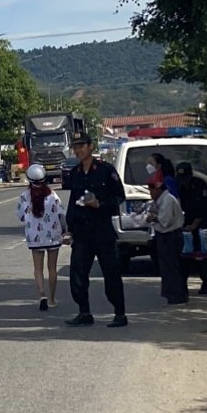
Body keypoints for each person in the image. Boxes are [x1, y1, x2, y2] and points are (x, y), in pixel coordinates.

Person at [64, 132, 128, 328]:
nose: (78, 150)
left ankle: (119, 313)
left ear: (91, 146)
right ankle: (84, 311)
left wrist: (99, 204)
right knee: (77, 273)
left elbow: (119, 197)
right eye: (75, 147)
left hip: (102, 229)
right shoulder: (74, 173)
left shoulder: (105, 170)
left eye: (81, 146)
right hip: (82, 233)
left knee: (111, 272)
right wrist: (69, 229)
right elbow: (72, 204)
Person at [16, 164, 67, 311]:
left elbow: (20, 216)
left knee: (38, 268)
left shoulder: (25, 196)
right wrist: (65, 231)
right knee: (52, 268)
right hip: (53, 236)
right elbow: (61, 214)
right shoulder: (52, 195)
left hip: (34, 237)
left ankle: (42, 294)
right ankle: (51, 299)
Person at [146, 172, 188, 305]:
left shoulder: (168, 200)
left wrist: (154, 218)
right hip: (162, 236)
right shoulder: (159, 201)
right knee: (166, 267)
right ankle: (171, 294)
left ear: (158, 188)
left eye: (152, 190)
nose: (151, 193)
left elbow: (166, 220)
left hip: (171, 236)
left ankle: (178, 295)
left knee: (172, 266)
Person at [175, 161, 207, 295]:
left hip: (203, 225)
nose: (184, 182)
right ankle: (183, 284)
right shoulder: (180, 187)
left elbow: (205, 208)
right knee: (185, 255)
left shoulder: (200, 185)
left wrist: (194, 225)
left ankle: (206, 283)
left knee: (205, 256)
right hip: (188, 224)